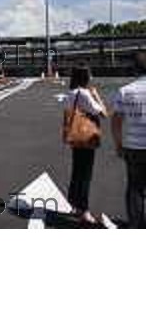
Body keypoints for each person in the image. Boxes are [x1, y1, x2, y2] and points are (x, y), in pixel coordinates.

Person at [64, 65, 108, 224]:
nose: (91, 76)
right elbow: (103, 113)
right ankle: (84, 210)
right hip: (87, 137)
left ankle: (75, 205)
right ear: (85, 77)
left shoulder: (71, 92)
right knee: (85, 174)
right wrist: (96, 96)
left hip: (75, 136)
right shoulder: (84, 94)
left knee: (77, 171)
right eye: (90, 73)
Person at [111, 52, 146, 228]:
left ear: (134, 69)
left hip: (133, 146)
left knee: (135, 188)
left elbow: (116, 121)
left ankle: (136, 225)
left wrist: (118, 145)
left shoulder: (125, 91)